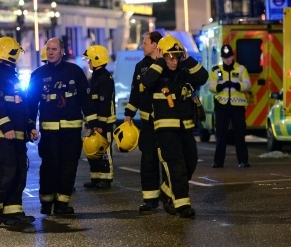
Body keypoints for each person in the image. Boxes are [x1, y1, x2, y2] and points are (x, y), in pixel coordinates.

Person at [27, 38, 98, 215]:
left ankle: (62, 204)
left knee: (68, 167)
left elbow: (85, 99)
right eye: (48, 49)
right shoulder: (38, 74)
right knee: (49, 166)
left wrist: (92, 122)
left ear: (62, 51)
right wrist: (30, 125)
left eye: (54, 49)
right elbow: (31, 103)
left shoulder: (75, 72)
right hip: (49, 132)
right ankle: (46, 201)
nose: (50, 52)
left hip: (71, 131)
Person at [141, 34, 208, 218]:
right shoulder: (156, 73)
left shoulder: (184, 70)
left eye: (177, 56)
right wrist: (162, 61)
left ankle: (166, 190)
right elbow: (146, 82)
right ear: (162, 55)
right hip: (165, 131)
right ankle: (182, 205)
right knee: (176, 165)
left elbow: (203, 77)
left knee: (190, 162)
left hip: (185, 129)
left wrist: (187, 58)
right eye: (170, 56)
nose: (174, 60)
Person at [0, 37, 38, 226]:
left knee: (19, 172)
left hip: (16, 134)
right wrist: (6, 127)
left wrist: (30, 127)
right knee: (5, 171)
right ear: (11, 53)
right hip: (1, 133)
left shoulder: (10, 75)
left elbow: (22, 105)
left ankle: (12, 212)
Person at [124, 31, 164, 212]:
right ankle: (150, 200)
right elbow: (135, 92)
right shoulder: (141, 67)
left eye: (145, 43)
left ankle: (169, 197)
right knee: (148, 162)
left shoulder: (168, 63)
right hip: (148, 124)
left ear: (155, 44)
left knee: (168, 162)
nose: (142, 45)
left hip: (166, 124)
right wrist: (129, 114)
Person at [208, 44, 251, 168]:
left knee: (239, 134)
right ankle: (218, 162)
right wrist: (220, 86)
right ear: (222, 57)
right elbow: (210, 86)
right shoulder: (216, 70)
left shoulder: (241, 69)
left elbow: (248, 84)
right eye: (225, 57)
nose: (227, 59)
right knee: (221, 135)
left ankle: (243, 161)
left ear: (233, 56)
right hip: (222, 106)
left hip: (237, 106)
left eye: (229, 56)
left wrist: (238, 86)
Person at [82, 45, 115, 190]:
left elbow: (104, 102)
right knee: (93, 149)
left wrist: (100, 123)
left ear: (97, 60)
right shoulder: (94, 77)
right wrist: (89, 122)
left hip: (104, 122)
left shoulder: (105, 78)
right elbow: (89, 102)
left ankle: (106, 179)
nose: (88, 63)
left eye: (90, 60)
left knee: (104, 150)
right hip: (94, 122)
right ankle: (95, 177)